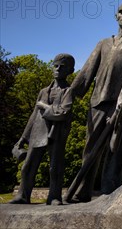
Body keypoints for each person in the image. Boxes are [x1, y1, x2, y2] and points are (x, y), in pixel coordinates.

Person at [66, 3, 122, 203]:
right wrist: (70, 96)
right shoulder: (104, 43)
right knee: (90, 147)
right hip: (98, 100)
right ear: (116, 16)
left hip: (120, 103)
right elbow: (87, 71)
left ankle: (110, 191)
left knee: (116, 148)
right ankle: (82, 192)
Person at [10, 54, 75, 205]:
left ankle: (54, 196)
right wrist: (23, 138)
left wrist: (45, 107)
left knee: (55, 167)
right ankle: (23, 195)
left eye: (62, 66)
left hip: (56, 133)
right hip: (37, 132)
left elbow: (63, 113)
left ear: (70, 71)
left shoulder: (68, 92)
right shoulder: (43, 91)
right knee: (28, 166)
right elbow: (33, 117)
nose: (58, 69)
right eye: (56, 65)